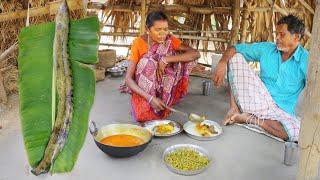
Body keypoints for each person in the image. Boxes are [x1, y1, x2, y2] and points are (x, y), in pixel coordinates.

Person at [212, 15, 308, 142]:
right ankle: (234, 109)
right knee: (235, 57)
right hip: (258, 100)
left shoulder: (307, 60)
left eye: (282, 34)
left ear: (296, 37)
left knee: (297, 132)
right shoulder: (267, 48)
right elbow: (234, 49)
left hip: (282, 111)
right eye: (276, 34)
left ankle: (249, 119)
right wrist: (222, 62)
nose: (277, 38)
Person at [122, 11, 200, 122]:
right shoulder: (138, 43)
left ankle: (167, 96)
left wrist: (166, 59)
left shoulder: (170, 40)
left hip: (165, 83)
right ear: (147, 29)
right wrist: (150, 98)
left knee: (183, 59)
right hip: (145, 88)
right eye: (158, 30)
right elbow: (128, 80)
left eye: (165, 29)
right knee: (148, 62)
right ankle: (151, 98)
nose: (163, 33)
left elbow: (195, 54)